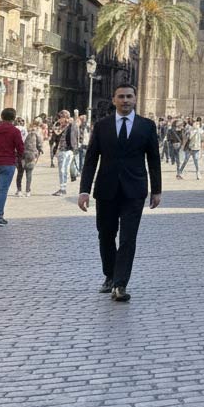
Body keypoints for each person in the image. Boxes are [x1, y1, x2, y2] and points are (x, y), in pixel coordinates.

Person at [78, 83, 162, 302]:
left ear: (135, 99)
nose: (125, 100)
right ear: (114, 99)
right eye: (121, 97)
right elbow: (91, 159)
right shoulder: (102, 126)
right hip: (106, 189)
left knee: (128, 238)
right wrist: (84, 190)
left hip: (134, 191)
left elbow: (154, 159)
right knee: (106, 235)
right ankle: (110, 274)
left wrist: (157, 190)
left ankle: (120, 284)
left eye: (129, 96)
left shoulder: (147, 126)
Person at [53, 110, 79, 196]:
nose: (59, 120)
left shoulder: (72, 125)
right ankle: (63, 188)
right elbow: (56, 133)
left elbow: (76, 136)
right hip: (62, 151)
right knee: (63, 170)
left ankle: (63, 188)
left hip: (67, 150)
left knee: (63, 170)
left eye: (60, 118)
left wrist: (75, 148)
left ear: (64, 118)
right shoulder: (62, 127)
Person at [16, 121, 44, 197]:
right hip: (30, 155)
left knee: (20, 173)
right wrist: (40, 150)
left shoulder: (21, 131)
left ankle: (19, 190)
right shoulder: (36, 133)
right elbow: (39, 144)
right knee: (29, 173)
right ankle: (27, 191)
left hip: (20, 154)